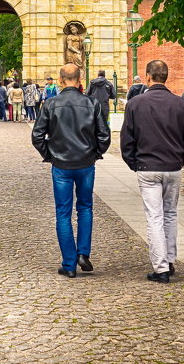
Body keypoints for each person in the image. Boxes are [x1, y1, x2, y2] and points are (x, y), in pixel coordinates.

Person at [31, 63, 111, 279]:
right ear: (80, 80)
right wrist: (94, 153)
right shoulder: (92, 103)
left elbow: (37, 136)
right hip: (85, 164)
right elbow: (104, 136)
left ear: (60, 80)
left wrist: (50, 154)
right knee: (85, 208)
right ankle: (83, 253)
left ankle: (68, 263)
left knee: (63, 213)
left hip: (62, 166)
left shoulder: (50, 103)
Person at [121, 61, 184, 282]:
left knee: (154, 217)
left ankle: (161, 267)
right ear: (166, 76)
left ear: (148, 77)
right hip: (173, 167)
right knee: (171, 214)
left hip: (147, 167)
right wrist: (181, 160)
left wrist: (134, 163)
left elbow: (127, 140)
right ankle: (170, 259)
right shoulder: (181, 104)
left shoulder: (135, 104)